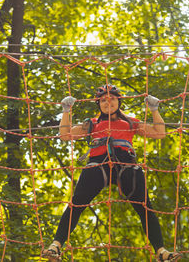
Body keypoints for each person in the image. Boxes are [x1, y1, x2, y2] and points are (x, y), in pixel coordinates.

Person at [43, 85, 181, 262]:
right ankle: (55, 246)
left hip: (126, 165)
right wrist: (66, 111)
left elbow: (159, 133)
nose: (108, 102)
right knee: (76, 203)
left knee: (145, 206)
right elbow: (65, 135)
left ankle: (161, 251)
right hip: (98, 164)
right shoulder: (92, 123)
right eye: (103, 100)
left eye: (112, 98)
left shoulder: (131, 122)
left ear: (119, 101)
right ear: (98, 104)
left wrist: (154, 110)